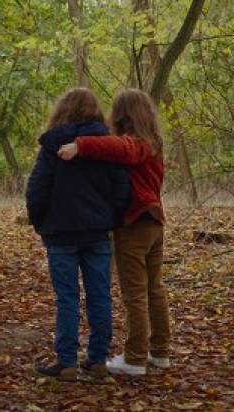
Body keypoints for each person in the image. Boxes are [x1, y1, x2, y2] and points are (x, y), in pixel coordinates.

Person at [57, 88, 171, 376]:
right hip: (154, 222)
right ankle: (159, 352)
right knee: (154, 290)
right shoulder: (154, 142)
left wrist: (80, 145)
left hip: (136, 224)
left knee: (136, 293)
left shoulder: (137, 144)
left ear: (122, 115)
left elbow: (121, 148)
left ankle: (134, 359)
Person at [26, 88, 131, 382]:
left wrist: (40, 222)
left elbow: (37, 188)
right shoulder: (108, 146)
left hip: (60, 233)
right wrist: (112, 219)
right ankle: (97, 360)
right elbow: (121, 188)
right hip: (97, 232)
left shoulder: (53, 145)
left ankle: (68, 361)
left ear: (63, 110)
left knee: (67, 297)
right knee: (99, 295)